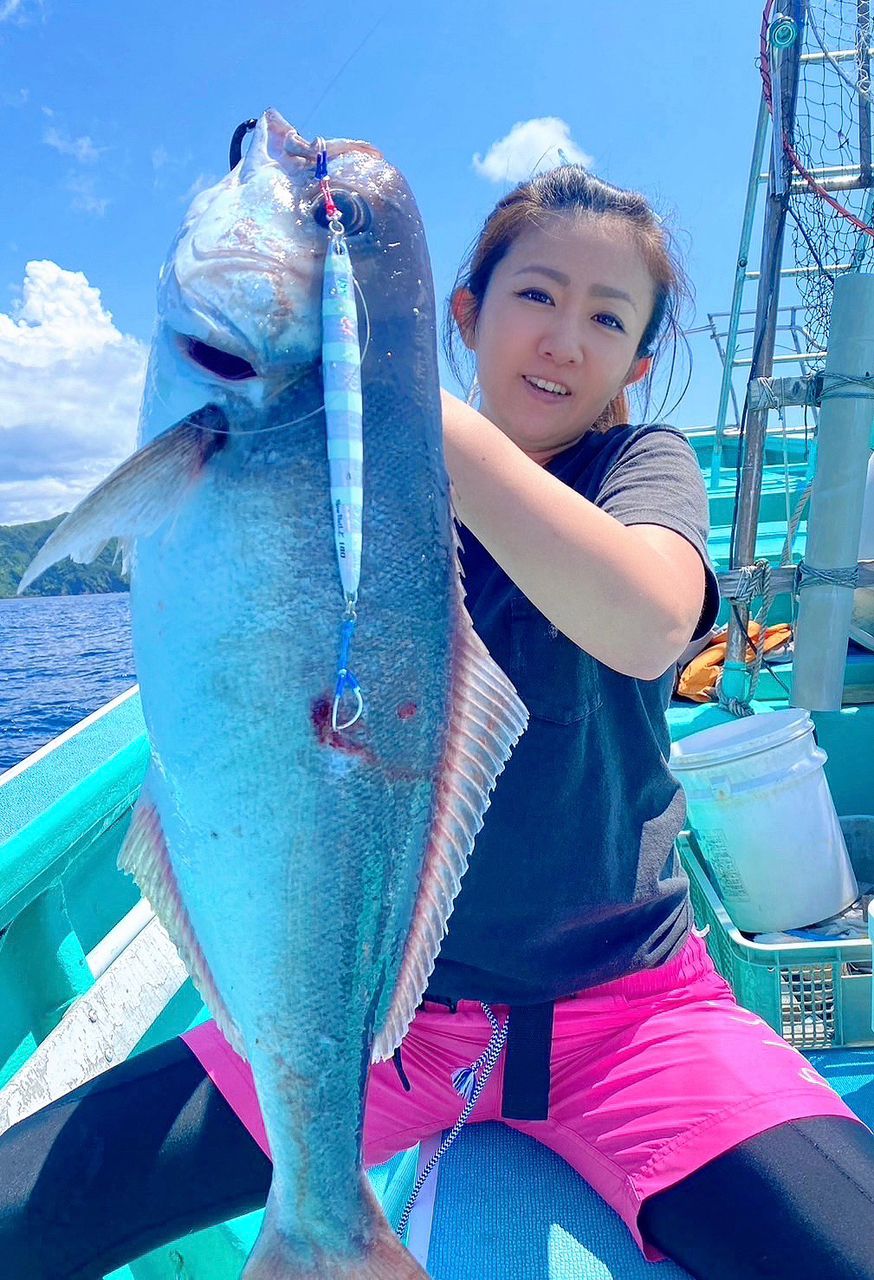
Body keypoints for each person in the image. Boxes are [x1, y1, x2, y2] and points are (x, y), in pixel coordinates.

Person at [4, 165, 874, 1280]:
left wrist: (404, 394)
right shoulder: (332, 473)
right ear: (461, 315)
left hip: (632, 1015)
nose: (564, 337)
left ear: (640, 361)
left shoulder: (636, 467)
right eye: (535, 295)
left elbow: (652, 621)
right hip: (374, 1028)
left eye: (607, 316)